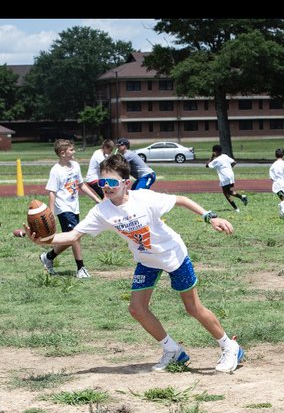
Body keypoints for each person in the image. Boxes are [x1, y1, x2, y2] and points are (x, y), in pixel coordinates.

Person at [28, 153, 245, 373]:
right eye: (102, 182)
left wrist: (210, 217)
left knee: (193, 308)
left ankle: (230, 346)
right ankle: (173, 351)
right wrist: (45, 240)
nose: (106, 186)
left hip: (172, 255)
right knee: (137, 309)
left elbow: (181, 199)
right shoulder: (102, 211)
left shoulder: (144, 198)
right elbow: (74, 235)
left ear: (126, 183)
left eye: (112, 182)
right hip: (147, 260)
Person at [40, 138, 102, 279]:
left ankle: (48, 257)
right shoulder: (56, 170)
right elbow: (52, 192)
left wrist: (96, 199)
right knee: (75, 237)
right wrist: (51, 213)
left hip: (74, 207)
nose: (74, 152)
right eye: (71, 150)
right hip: (63, 208)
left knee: (71, 238)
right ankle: (81, 268)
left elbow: (81, 184)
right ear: (63, 153)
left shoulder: (75, 165)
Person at [206, 144, 248, 212]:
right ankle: (242, 197)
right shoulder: (225, 156)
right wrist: (229, 168)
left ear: (215, 152)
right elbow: (234, 162)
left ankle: (236, 208)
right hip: (231, 175)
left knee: (226, 193)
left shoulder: (216, 160)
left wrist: (212, 157)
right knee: (228, 191)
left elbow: (207, 165)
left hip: (224, 177)